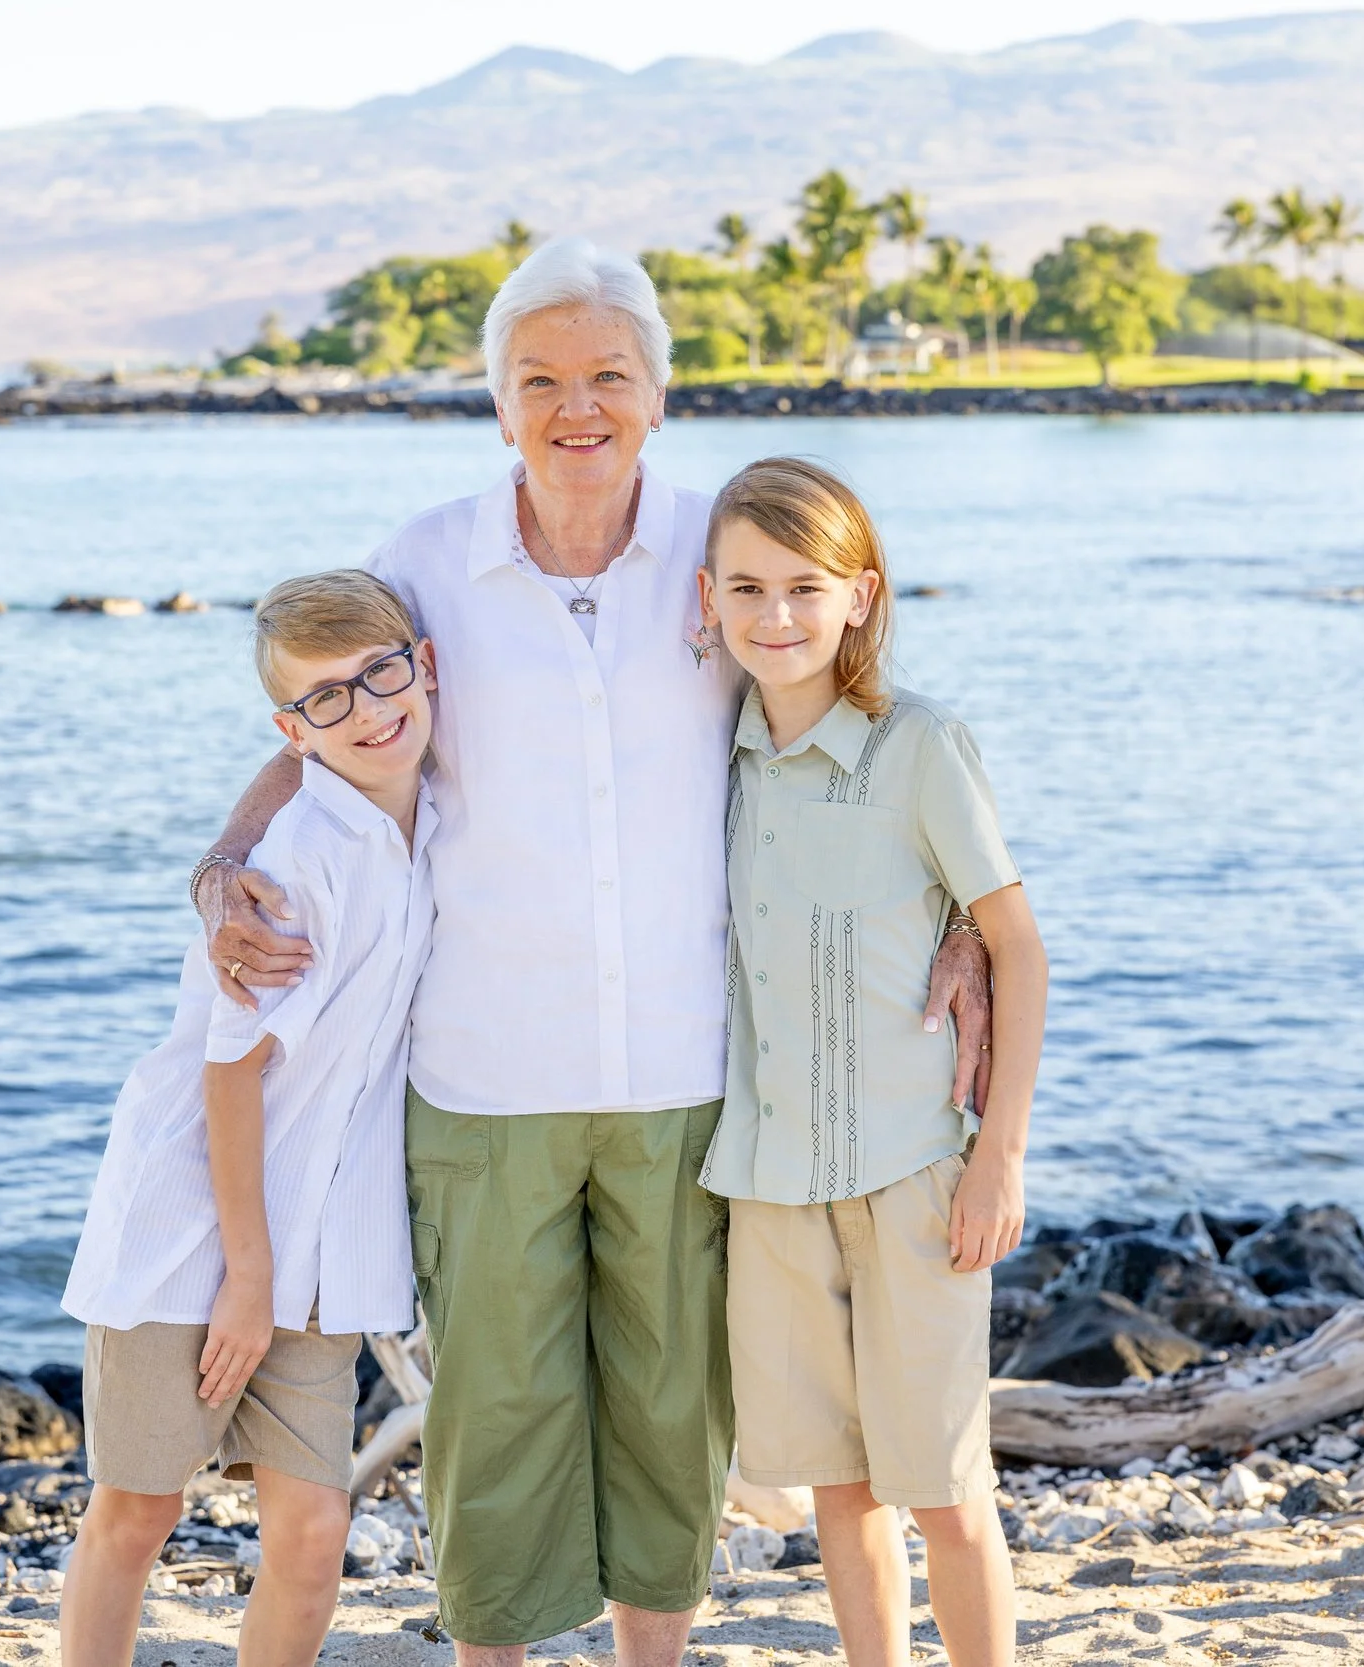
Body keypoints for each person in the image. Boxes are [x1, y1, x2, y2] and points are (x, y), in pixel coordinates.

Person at [187, 239, 994, 1667]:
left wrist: (964, 928)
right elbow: (326, 713)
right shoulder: (424, 562)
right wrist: (224, 862)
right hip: (484, 1077)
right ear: (497, 402)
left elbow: (857, 719)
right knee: (496, 1411)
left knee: (673, 1406)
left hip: (691, 1075)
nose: (577, 405)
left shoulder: (717, 549)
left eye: (608, 375)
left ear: (659, 393)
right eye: (539, 378)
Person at [697, 457, 1047, 1667]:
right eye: (746, 588)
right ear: (707, 599)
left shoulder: (920, 746)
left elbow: (1016, 946)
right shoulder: (711, 759)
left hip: (914, 1174)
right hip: (768, 1186)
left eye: (804, 586)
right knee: (837, 1487)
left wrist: (996, 1155)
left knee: (945, 1482)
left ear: (861, 595)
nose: (774, 616)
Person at [57, 571, 440, 1667]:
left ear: (423, 661)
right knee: (138, 1511)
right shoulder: (295, 865)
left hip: (325, 1249)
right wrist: (249, 1274)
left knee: (316, 1530)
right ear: (292, 730)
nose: (367, 708)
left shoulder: (434, 813)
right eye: (327, 700)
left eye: (381, 673)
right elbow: (229, 1078)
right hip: (189, 1234)